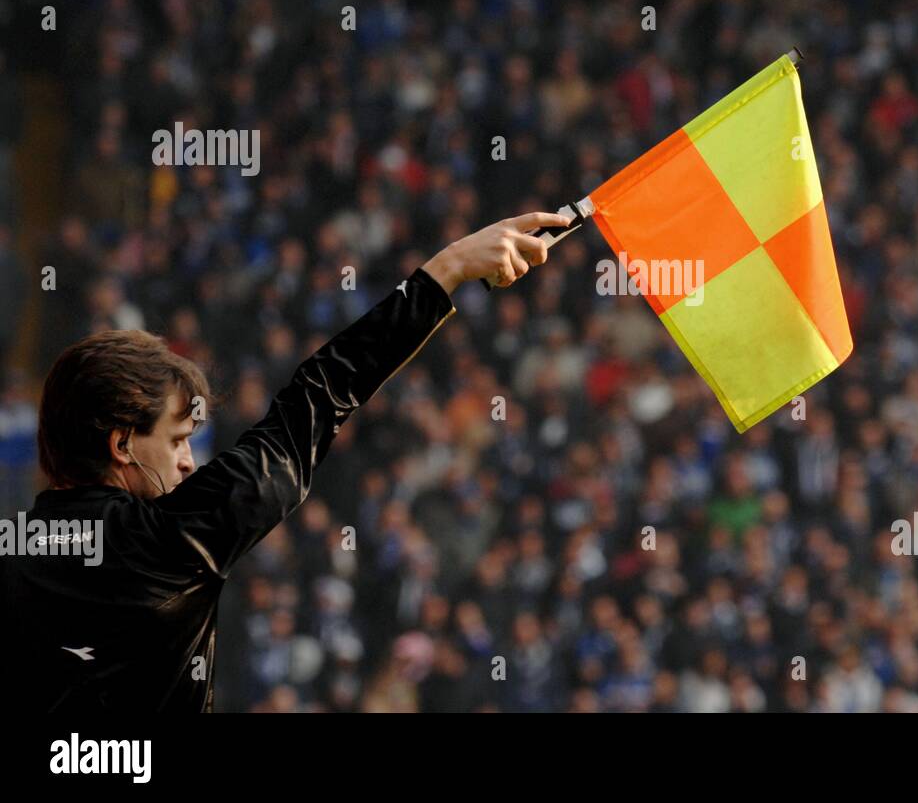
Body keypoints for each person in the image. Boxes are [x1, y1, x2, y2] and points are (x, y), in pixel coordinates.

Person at [0, 212, 569, 712]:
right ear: (121, 445)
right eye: (176, 441)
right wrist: (445, 272)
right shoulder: (167, 542)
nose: (188, 464)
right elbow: (315, 401)